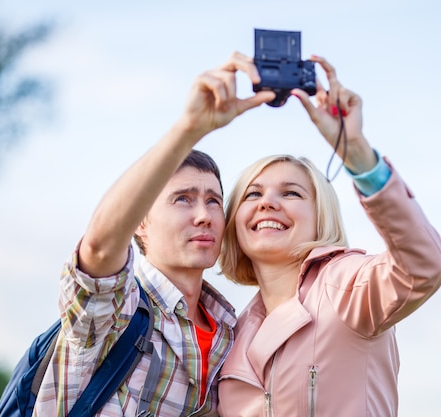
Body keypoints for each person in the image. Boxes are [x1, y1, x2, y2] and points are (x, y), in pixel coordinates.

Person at [32, 53, 277, 416]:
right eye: (182, 199)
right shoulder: (119, 308)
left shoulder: (231, 330)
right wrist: (189, 128)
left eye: (213, 201)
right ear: (140, 223)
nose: (203, 215)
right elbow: (98, 248)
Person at [216, 56, 441, 416]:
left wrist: (356, 153)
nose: (267, 204)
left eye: (290, 193)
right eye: (252, 194)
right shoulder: (230, 332)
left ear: (320, 215)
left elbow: (423, 267)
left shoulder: (346, 285)